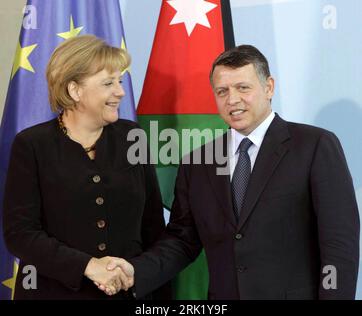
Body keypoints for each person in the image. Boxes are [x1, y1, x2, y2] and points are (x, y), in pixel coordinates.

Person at [107, 45, 360, 299]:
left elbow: (339, 244)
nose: (233, 99)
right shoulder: (197, 163)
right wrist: (135, 271)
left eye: (243, 88)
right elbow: (182, 241)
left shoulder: (314, 145)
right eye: (222, 91)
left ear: (269, 87)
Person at [3, 34, 167, 299]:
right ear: (74, 90)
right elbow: (20, 234)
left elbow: (153, 227)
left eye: (120, 81)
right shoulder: (32, 145)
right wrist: (89, 267)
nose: (121, 92)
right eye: (108, 83)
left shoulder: (133, 137)